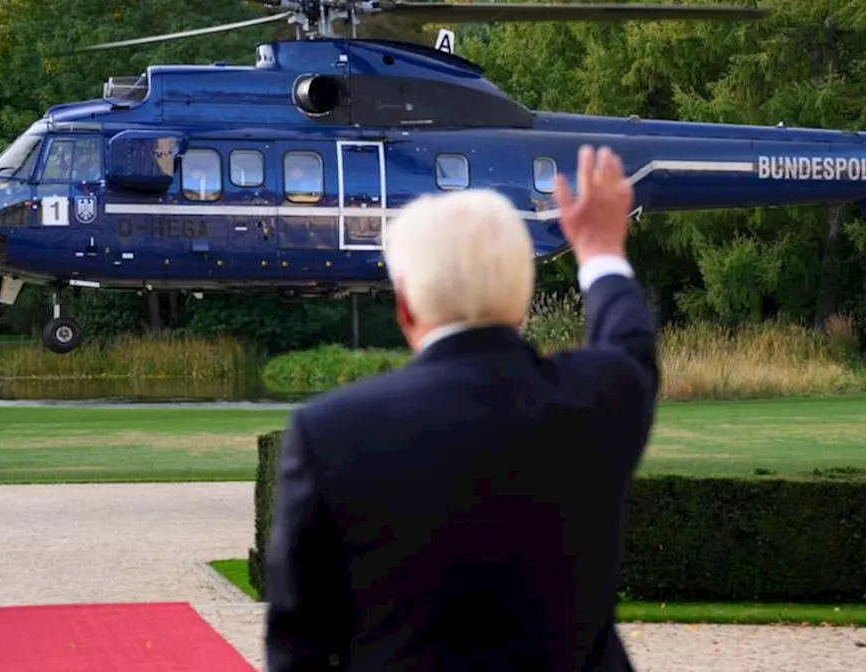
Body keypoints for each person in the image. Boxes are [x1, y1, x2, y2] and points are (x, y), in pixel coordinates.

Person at [263, 145, 659, 671]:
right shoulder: (594, 399)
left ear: (405, 306)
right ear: (522, 296)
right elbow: (629, 344)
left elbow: (299, 646)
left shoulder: (331, 433)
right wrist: (600, 252)